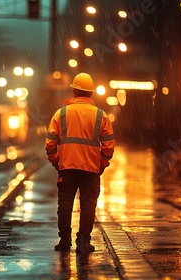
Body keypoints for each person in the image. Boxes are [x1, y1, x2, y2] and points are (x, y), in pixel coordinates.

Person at [45, 72, 115, 253]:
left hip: (67, 167)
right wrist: (102, 163)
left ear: (74, 91)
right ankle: (83, 242)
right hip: (91, 168)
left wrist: (56, 162)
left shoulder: (60, 114)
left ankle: (65, 240)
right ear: (91, 93)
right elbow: (108, 145)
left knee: (66, 202)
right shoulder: (101, 115)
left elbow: (50, 143)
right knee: (88, 204)